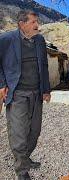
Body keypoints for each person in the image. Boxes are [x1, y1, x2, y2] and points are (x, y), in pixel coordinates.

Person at [0, 10, 51, 180]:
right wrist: (2, 84)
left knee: (34, 132)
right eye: (33, 22)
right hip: (17, 94)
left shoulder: (40, 40)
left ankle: (25, 158)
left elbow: (43, 65)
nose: (37, 25)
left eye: (37, 22)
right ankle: (21, 171)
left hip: (36, 93)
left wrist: (46, 89)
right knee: (19, 134)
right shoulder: (6, 40)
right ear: (22, 24)